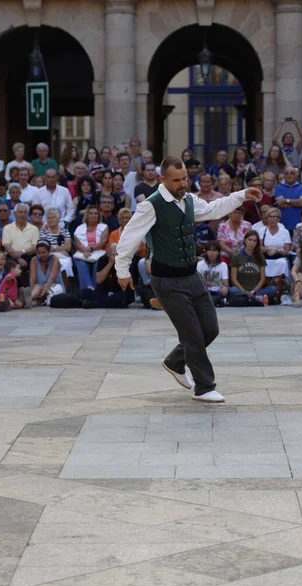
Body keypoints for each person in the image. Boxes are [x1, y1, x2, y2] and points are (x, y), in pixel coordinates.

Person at [115, 155, 262, 403]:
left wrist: (242, 194)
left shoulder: (190, 200)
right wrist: (122, 270)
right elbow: (129, 237)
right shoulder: (151, 206)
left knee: (210, 329)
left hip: (192, 275)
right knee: (192, 333)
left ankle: (175, 361)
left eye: (184, 178)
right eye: (176, 180)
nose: (182, 183)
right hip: (166, 280)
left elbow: (215, 208)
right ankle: (204, 387)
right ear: (162, 179)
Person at [80, 243, 135, 309]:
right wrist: (110, 263)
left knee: (121, 297)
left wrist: (119, 264)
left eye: (117, 254)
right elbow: (99, 280)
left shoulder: (126, 261)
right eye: (113, 254)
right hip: (104, 293)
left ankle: (94, 304)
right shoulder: (103, 260)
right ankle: (101, 303)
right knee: (84, 292)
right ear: (108, 254)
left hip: (120, 292)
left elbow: (125, 284)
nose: (115, 256)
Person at [230, 230, 277, 302]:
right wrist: (244, 291)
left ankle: (250, 298)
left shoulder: (260, 256)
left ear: (257, 243)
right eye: (249, 240)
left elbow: (262, 279)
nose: (251, 243)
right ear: (245, 240)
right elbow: (234, 278)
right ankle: (254, 298)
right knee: (231, 290)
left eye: (254, 241)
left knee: (273, 289)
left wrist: (253, 291)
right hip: (241, 289)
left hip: (257, 290)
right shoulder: (236, 257)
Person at [2, 203, 39, 286]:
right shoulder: (7, 228)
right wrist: (18, 258)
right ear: (15, 214)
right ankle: (15, 292)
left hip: (29, 256)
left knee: (33, 264)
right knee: (14, 266)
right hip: (11, 256)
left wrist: (22, 252)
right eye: (20, 212)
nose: (22, 214)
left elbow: (34, 247)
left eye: (25, 212)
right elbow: (7, 246)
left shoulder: (34, 229)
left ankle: (28, 291)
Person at [73, 205, 109, 290]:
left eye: (96, 213)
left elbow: (103, 242)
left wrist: (90, 249)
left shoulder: (104, 227)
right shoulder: (79, 228)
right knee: (81, 263)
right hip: (83, 253)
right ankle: (87, 289)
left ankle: (95, 288)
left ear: (99, 216)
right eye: (91, 213)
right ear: (87, 215)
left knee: (99, 263)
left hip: (99, 252)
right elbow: (77, 243)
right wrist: (84, 250)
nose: (93, 215)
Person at [38, 207, 73, 282]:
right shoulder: (44, 232)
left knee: (66, 264)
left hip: (63, 257)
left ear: (58, 218)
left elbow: (68, 247)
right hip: (49, 256)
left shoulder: (65, 232)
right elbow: (43, 248)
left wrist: (52, 249)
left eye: (53, 217)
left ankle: (64, 291)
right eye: (49, 218)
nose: (51, 219)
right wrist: (59, 250)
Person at [260, 207, 291, 280]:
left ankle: (279, 285)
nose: (272, 219)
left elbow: (286, 251)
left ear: (278, 219)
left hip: (280, 258)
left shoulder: (285, 232)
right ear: (267, 219)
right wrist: (269, 249)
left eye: (274, 217)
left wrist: (276, 251)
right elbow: (259, 247)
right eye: (270, 217)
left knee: (282, 263)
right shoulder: (262, 230)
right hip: (266, 257)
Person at [29, 240, 64, 305]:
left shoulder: (54, 259)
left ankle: (28, 299)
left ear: (49, 251)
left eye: (43, 252)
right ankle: (26, 302)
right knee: (37, 291)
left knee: (38, 287)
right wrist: (33, 290)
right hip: (39, 291)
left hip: (53, 288)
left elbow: (52, 278)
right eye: (39, 252)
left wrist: (44, 291)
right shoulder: (34, 260)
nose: (41, 255)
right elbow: (32, 278)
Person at [274, 166, 302, 233]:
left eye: (292, 173)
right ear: (284, 175)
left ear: (296, 175)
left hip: (299, 225)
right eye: (286, 173)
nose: (289, 175)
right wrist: (297, 203)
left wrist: (286, 200)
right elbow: (281, 204)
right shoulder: (278, 187)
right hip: (282, 225)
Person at [196, 241, 229, 307]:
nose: (212, 253)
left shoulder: (223, 265)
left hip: (217, 292)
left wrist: (225, 288)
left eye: (214, 250)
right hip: (204, 292)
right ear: (206, 252)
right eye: (210, 250)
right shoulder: (200, 264)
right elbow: (197, 281)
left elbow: (225, 283)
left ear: (218, 253)